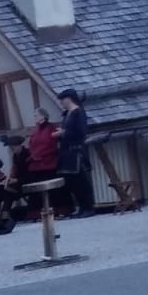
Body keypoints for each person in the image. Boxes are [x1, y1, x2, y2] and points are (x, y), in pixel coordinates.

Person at [55, 88, 95, 218]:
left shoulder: (78, 112)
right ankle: (81, 207)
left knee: (81, 181)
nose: (61, 102)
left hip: (77, 151)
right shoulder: (67, 114)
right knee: (72, 182)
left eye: (62, 99)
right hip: (67, 152)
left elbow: (81, 132)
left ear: (69, 99)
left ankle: (88, 207)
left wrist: (64, 133)